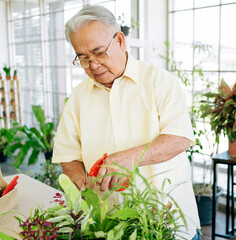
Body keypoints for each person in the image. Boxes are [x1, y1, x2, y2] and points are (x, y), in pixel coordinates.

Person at [52, 4, 201, 240]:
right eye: (83, 58)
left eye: (99, 52)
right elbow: (68, 157)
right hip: (110, 227)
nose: (93, 65)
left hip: (169, 223)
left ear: (120, 40)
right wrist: (83, 186)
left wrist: (128, 158)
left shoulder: (160, 82)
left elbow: (179, 138)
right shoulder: (78, 97)